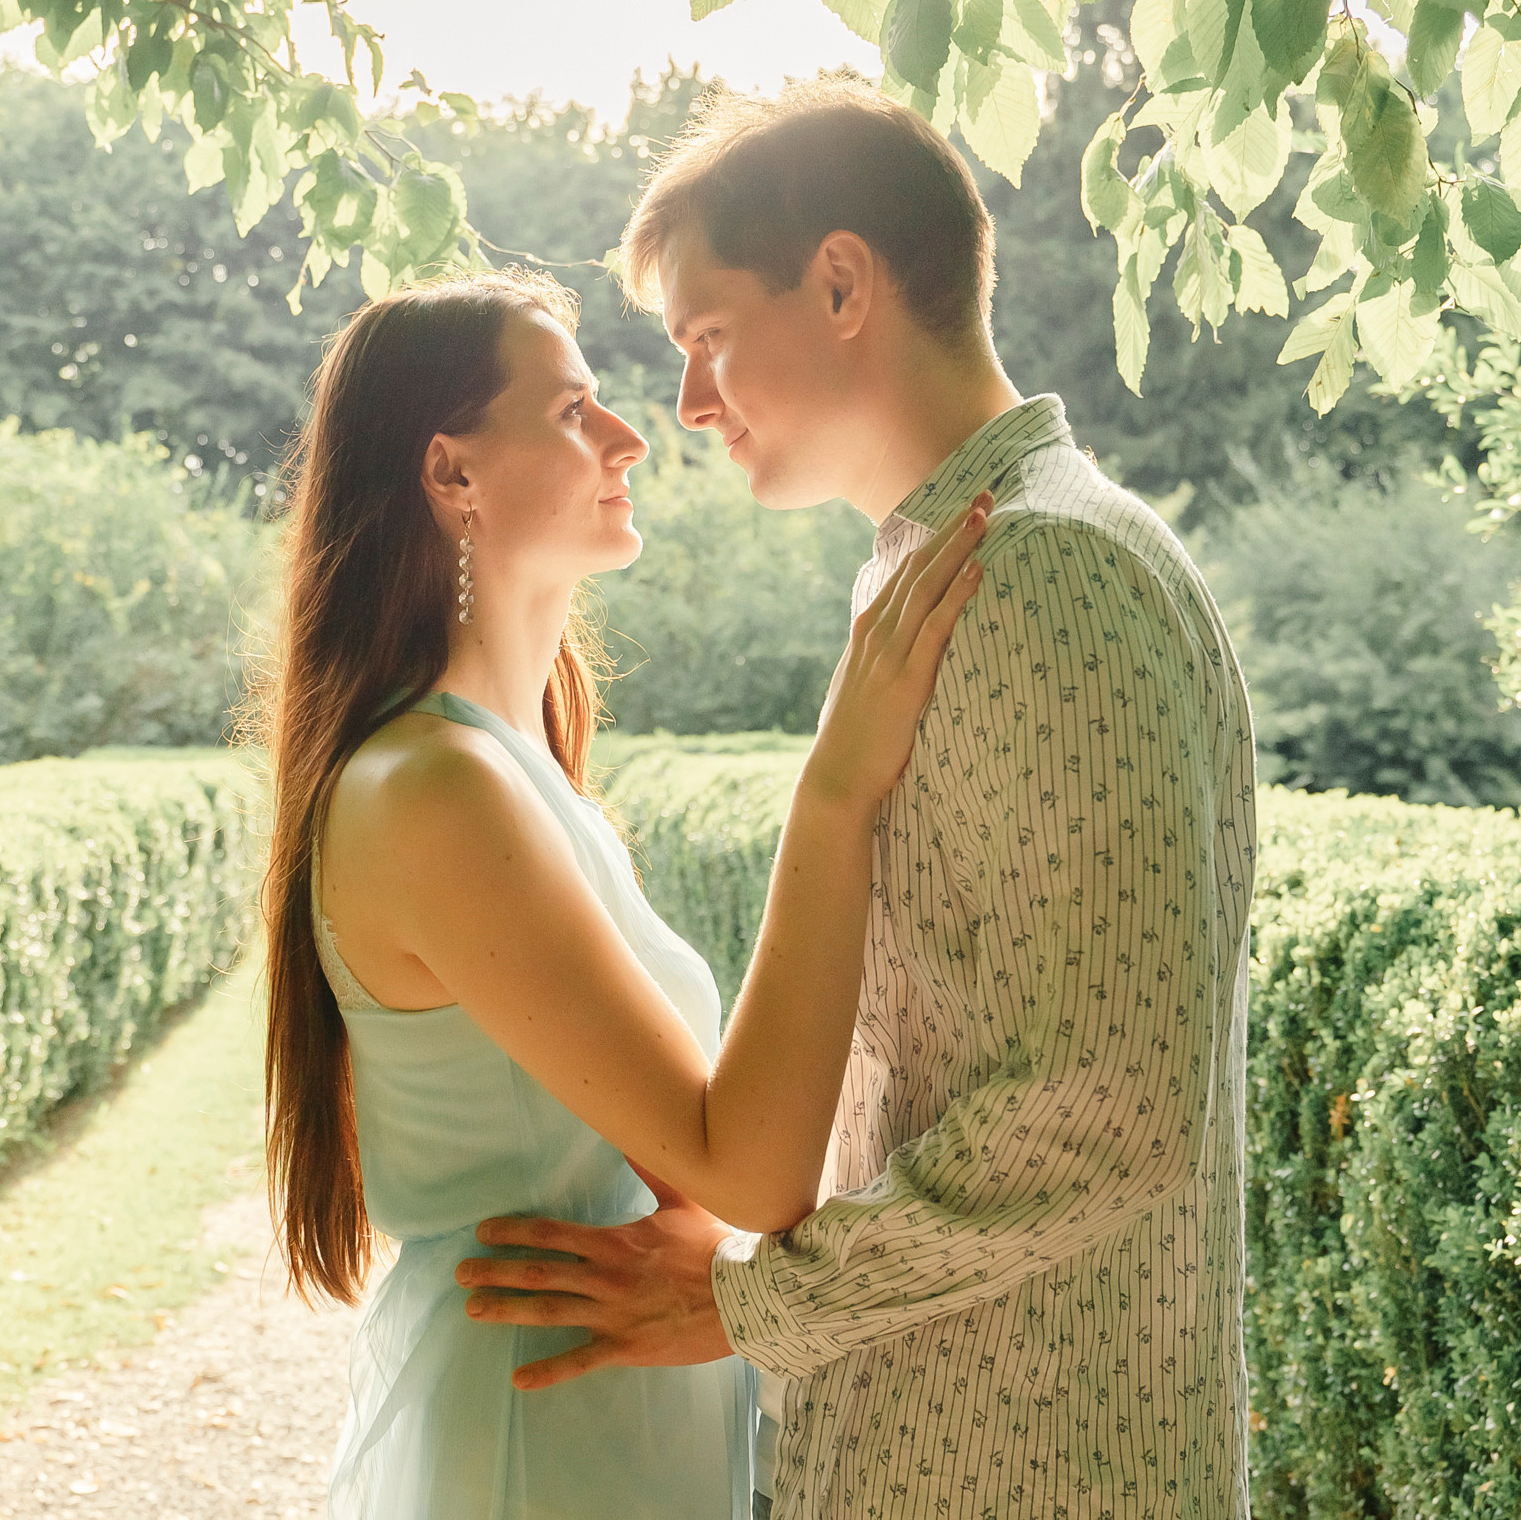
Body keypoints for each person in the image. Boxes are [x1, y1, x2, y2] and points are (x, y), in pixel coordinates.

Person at [456, 77, 1257, 1520]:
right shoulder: (952, 567)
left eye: (708, 337)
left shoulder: (1043, 573)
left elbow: (1110, 1101)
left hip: (1029, 1468)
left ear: (840, 284)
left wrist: (750, 1298)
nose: (689, 405)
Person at [248, 266, 991, 1519]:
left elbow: (684, 1172)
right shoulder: (432, 791)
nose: (629, 435)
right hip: (544, 1433)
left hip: (611, 1404)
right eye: (571, 410)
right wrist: (835, 796)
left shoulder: (518, 772)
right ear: (451, 474)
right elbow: (745, 1166)